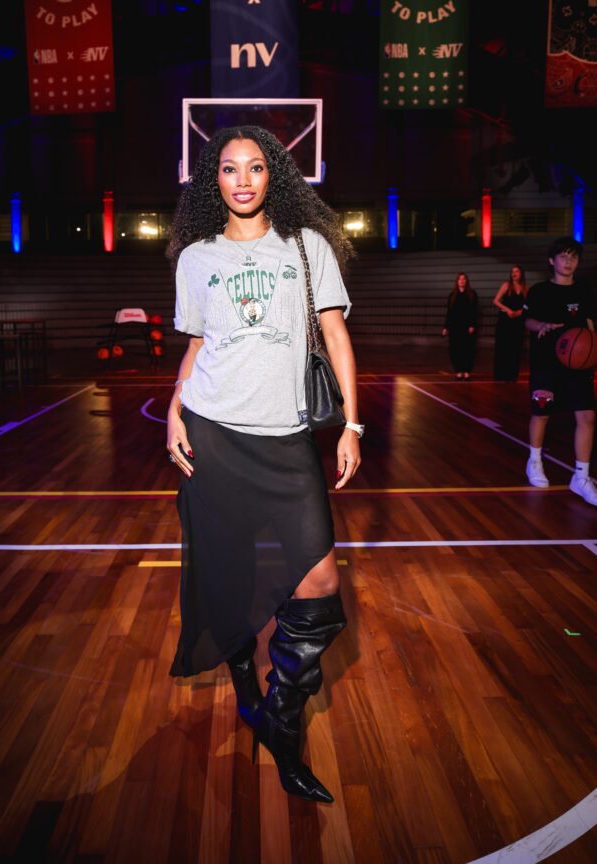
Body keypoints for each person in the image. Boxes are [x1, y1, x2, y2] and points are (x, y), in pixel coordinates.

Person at [165, 125, 363, 804]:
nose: (243, 180)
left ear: (273, 174)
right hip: (214, 433)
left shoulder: (305, 246)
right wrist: (173, 410)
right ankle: (246, 680)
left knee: (320, 588)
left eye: (255, 167)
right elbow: (197, 347)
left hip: (286, 440)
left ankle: (280, 714)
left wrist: (351, 424)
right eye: (229, 168)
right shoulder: (197, 258)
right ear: (212, 180)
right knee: (230, 575)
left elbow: (335, 332)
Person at [524, 237, 597, 505]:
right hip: (546, 362)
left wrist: (593, 348)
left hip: (578, 364)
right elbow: (527, 321)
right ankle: (534, 461)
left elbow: (590, 325)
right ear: (551, 261)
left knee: (587, 417)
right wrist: (541, 325)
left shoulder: (585, 291)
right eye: (564, 256)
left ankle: (581, 477)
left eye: (573, 257)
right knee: (542, 414)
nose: (569, 261)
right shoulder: (540, 291)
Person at [492, 264, 528, 381]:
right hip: (505, 320)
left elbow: (528, 305)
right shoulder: (506, 285)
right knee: (503, 347)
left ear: (521, 273)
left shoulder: (525, 288)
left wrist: (520, 312)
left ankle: (512, 374)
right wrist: (508, 310)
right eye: (512, 272)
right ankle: (500, 375)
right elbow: (496, 301)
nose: (514, 273)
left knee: (515, 347)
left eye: (516, 271)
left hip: (518, 321)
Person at [442, 272, 478, 379]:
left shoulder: (472, 294)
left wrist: (472, 325)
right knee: (455, 349)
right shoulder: (452, 295)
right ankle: (458, 370)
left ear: (466, 281)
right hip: (455, 327)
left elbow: (474, 311)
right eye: (460, 279)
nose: (461, 281)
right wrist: (446, 327)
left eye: (463, 279)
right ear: (457, 282)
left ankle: (467, 371)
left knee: (467, 349)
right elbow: (449, 312)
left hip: (467, 327)